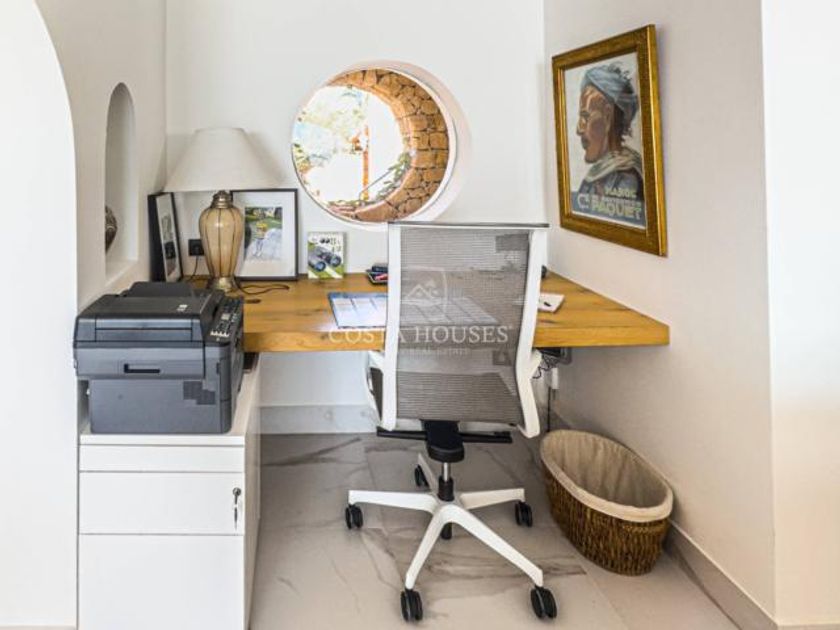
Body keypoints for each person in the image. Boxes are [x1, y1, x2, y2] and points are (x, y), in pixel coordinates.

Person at [573, 63, 645, 226]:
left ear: (607, 117)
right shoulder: (598, 174)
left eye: (585, 117)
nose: (578, 129)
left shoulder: (627, 180)